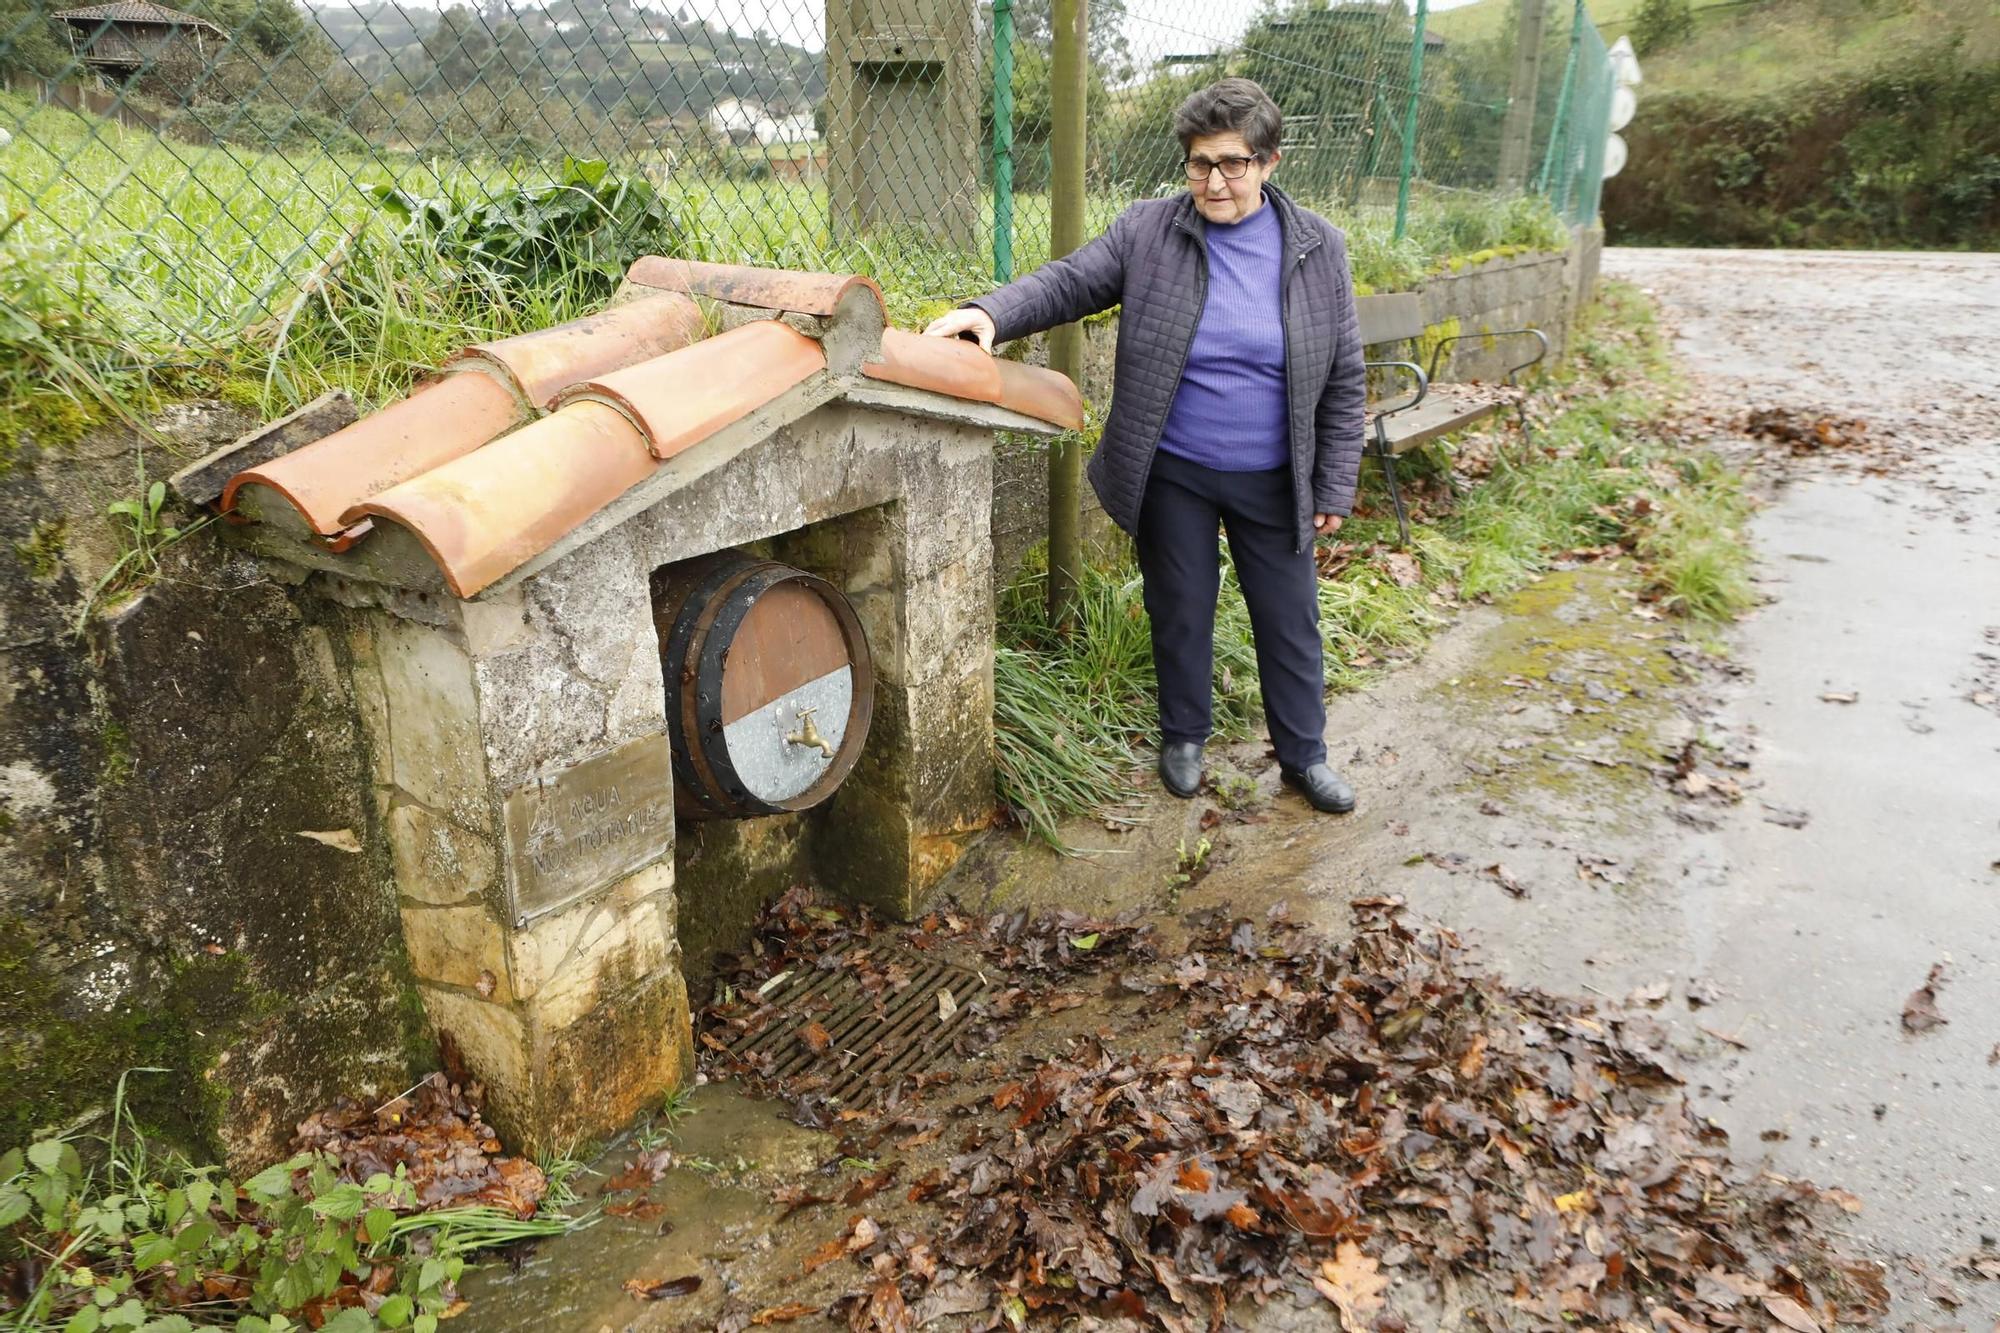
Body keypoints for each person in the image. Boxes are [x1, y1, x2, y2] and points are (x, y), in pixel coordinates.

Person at [923, 77, 1366, 814]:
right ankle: (1184, 735)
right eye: (1199, 164)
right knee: (1181, 607)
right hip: (1176, 472)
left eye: (1232, 163)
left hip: (1276, 475)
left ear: (1269, 163)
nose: (1214, 181)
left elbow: (1346, 376)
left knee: (1289, 620)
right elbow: (1069, 281)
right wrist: (987, 313)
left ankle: (1304, 756)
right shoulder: (1148, 231)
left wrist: (1335, 481)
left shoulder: (1319, 248)